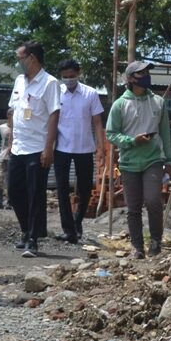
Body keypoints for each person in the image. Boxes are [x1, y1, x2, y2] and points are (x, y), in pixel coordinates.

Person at [106, 60, 171, 259]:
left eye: (147, 72)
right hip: (129, 162)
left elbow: (165, 134)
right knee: (133, 207)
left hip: (153, 160)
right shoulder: (120, 105)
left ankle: (156, 242)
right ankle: (137, 247)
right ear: (130, 79)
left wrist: (168, 162)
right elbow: (111, 133)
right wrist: (131, 141)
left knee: (153, 200)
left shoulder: (159, 102)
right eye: (141, 74)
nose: (146, 76)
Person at [7, 41, 60, 258]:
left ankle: (32, 239)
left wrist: (49, 148)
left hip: (38, 148)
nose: (18, 63)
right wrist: (10, 143)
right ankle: (25, 229)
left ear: (32, 58)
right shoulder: (20, 80)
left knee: (35, 194)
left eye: (20, 58)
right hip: (18, 147)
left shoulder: (50, 83)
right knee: (14, 192)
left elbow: (55, 115)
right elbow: (12, 112)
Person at [53, 58, 106, 244]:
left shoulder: (90, 93)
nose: (68, 79)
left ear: (78, 73)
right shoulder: (56, 93)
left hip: (85, 147)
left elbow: (98, 122)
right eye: (65, 77)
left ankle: (77, 222)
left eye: (72, 76)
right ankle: (68, 229)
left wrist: (101, 148)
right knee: (61, 188)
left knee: (84, 189)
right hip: (61, 147)